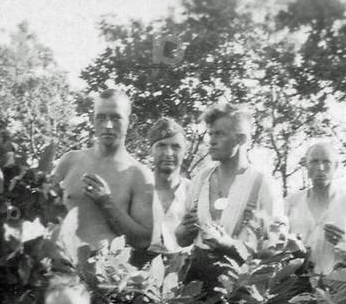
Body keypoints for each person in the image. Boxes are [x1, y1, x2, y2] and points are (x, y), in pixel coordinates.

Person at [52, 88, 155, 253]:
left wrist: (106, 203)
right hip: (62, 268)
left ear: (131, 121)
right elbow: (44, 209)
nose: (108, 125)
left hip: (104, 272)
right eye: (101, 117)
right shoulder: (70, 160)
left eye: (116, 118)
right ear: (92, 119)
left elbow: (143, 240)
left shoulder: (139, 175)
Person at [175, 103, 277, 258]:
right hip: (198, 277)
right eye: (211, 134)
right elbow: (183, 241)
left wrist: (228, 245)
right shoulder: (200, 180)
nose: (212, 141)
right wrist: (183, 231)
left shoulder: (263, 185)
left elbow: (273, 250)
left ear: (241, 139)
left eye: (220, 134)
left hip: (241, 278)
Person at [285, 141, 346, 274]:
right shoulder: (291, 203)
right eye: (314, 162)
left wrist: (345, 243)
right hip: (294, 286)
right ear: (306, 165)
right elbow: (277, 248)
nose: (321, 168)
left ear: (336, 166)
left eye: (327, 162)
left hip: (338, 286)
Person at [146, 117, 192, 258]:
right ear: (151, 150)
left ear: (185, 151)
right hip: (140, 266)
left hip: (184, 268)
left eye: (176, 146)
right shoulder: (139, 189)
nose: (169, 153)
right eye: (161, 145)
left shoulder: (193, 190)